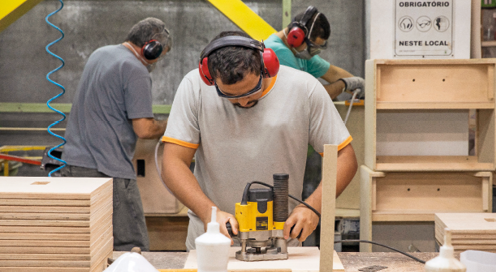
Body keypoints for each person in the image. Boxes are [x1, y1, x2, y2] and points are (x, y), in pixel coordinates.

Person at [161, 31, 358, 251]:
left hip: (282, 241)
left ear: (267, 66)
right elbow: (172, 162)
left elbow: (345, 157)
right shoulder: (194, 87)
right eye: (232, 97)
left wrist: (314, 207)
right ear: (209, 78)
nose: (244, 102)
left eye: (252, 91)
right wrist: (209, 213)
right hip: (213, 240)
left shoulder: (304, 89)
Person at [61, 17, 172, 251]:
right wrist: (172, 124)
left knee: (89, 247)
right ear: (151, 48)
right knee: (131, 246)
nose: (159, 61)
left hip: (73, 165)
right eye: (161, 54)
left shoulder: (100, 54)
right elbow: (144, 129)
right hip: (107, 170)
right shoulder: (136, 69)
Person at [264, 6, 365, 100]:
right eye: (313, 48)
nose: (312, 53)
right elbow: (308, 95)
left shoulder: (298, 52)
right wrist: (342, 85)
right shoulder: (276, 51)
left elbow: (334, 73)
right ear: (296, 37)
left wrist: (362, 86)